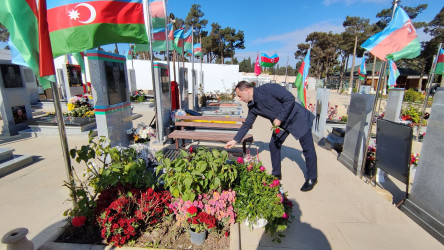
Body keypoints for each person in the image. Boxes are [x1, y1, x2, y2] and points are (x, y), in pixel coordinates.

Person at [225, 81, 318, 192]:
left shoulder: (268, 88)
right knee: (274, 144)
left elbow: (289, 98)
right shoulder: (253, 106)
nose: (240, 99)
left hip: (297, 118)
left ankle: (312, 178)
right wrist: (235, 140)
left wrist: (279, 118)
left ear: (247, 90)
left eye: (240, 95)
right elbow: (247, 124)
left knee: (308, 148)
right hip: (281, 125)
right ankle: (276, 174)